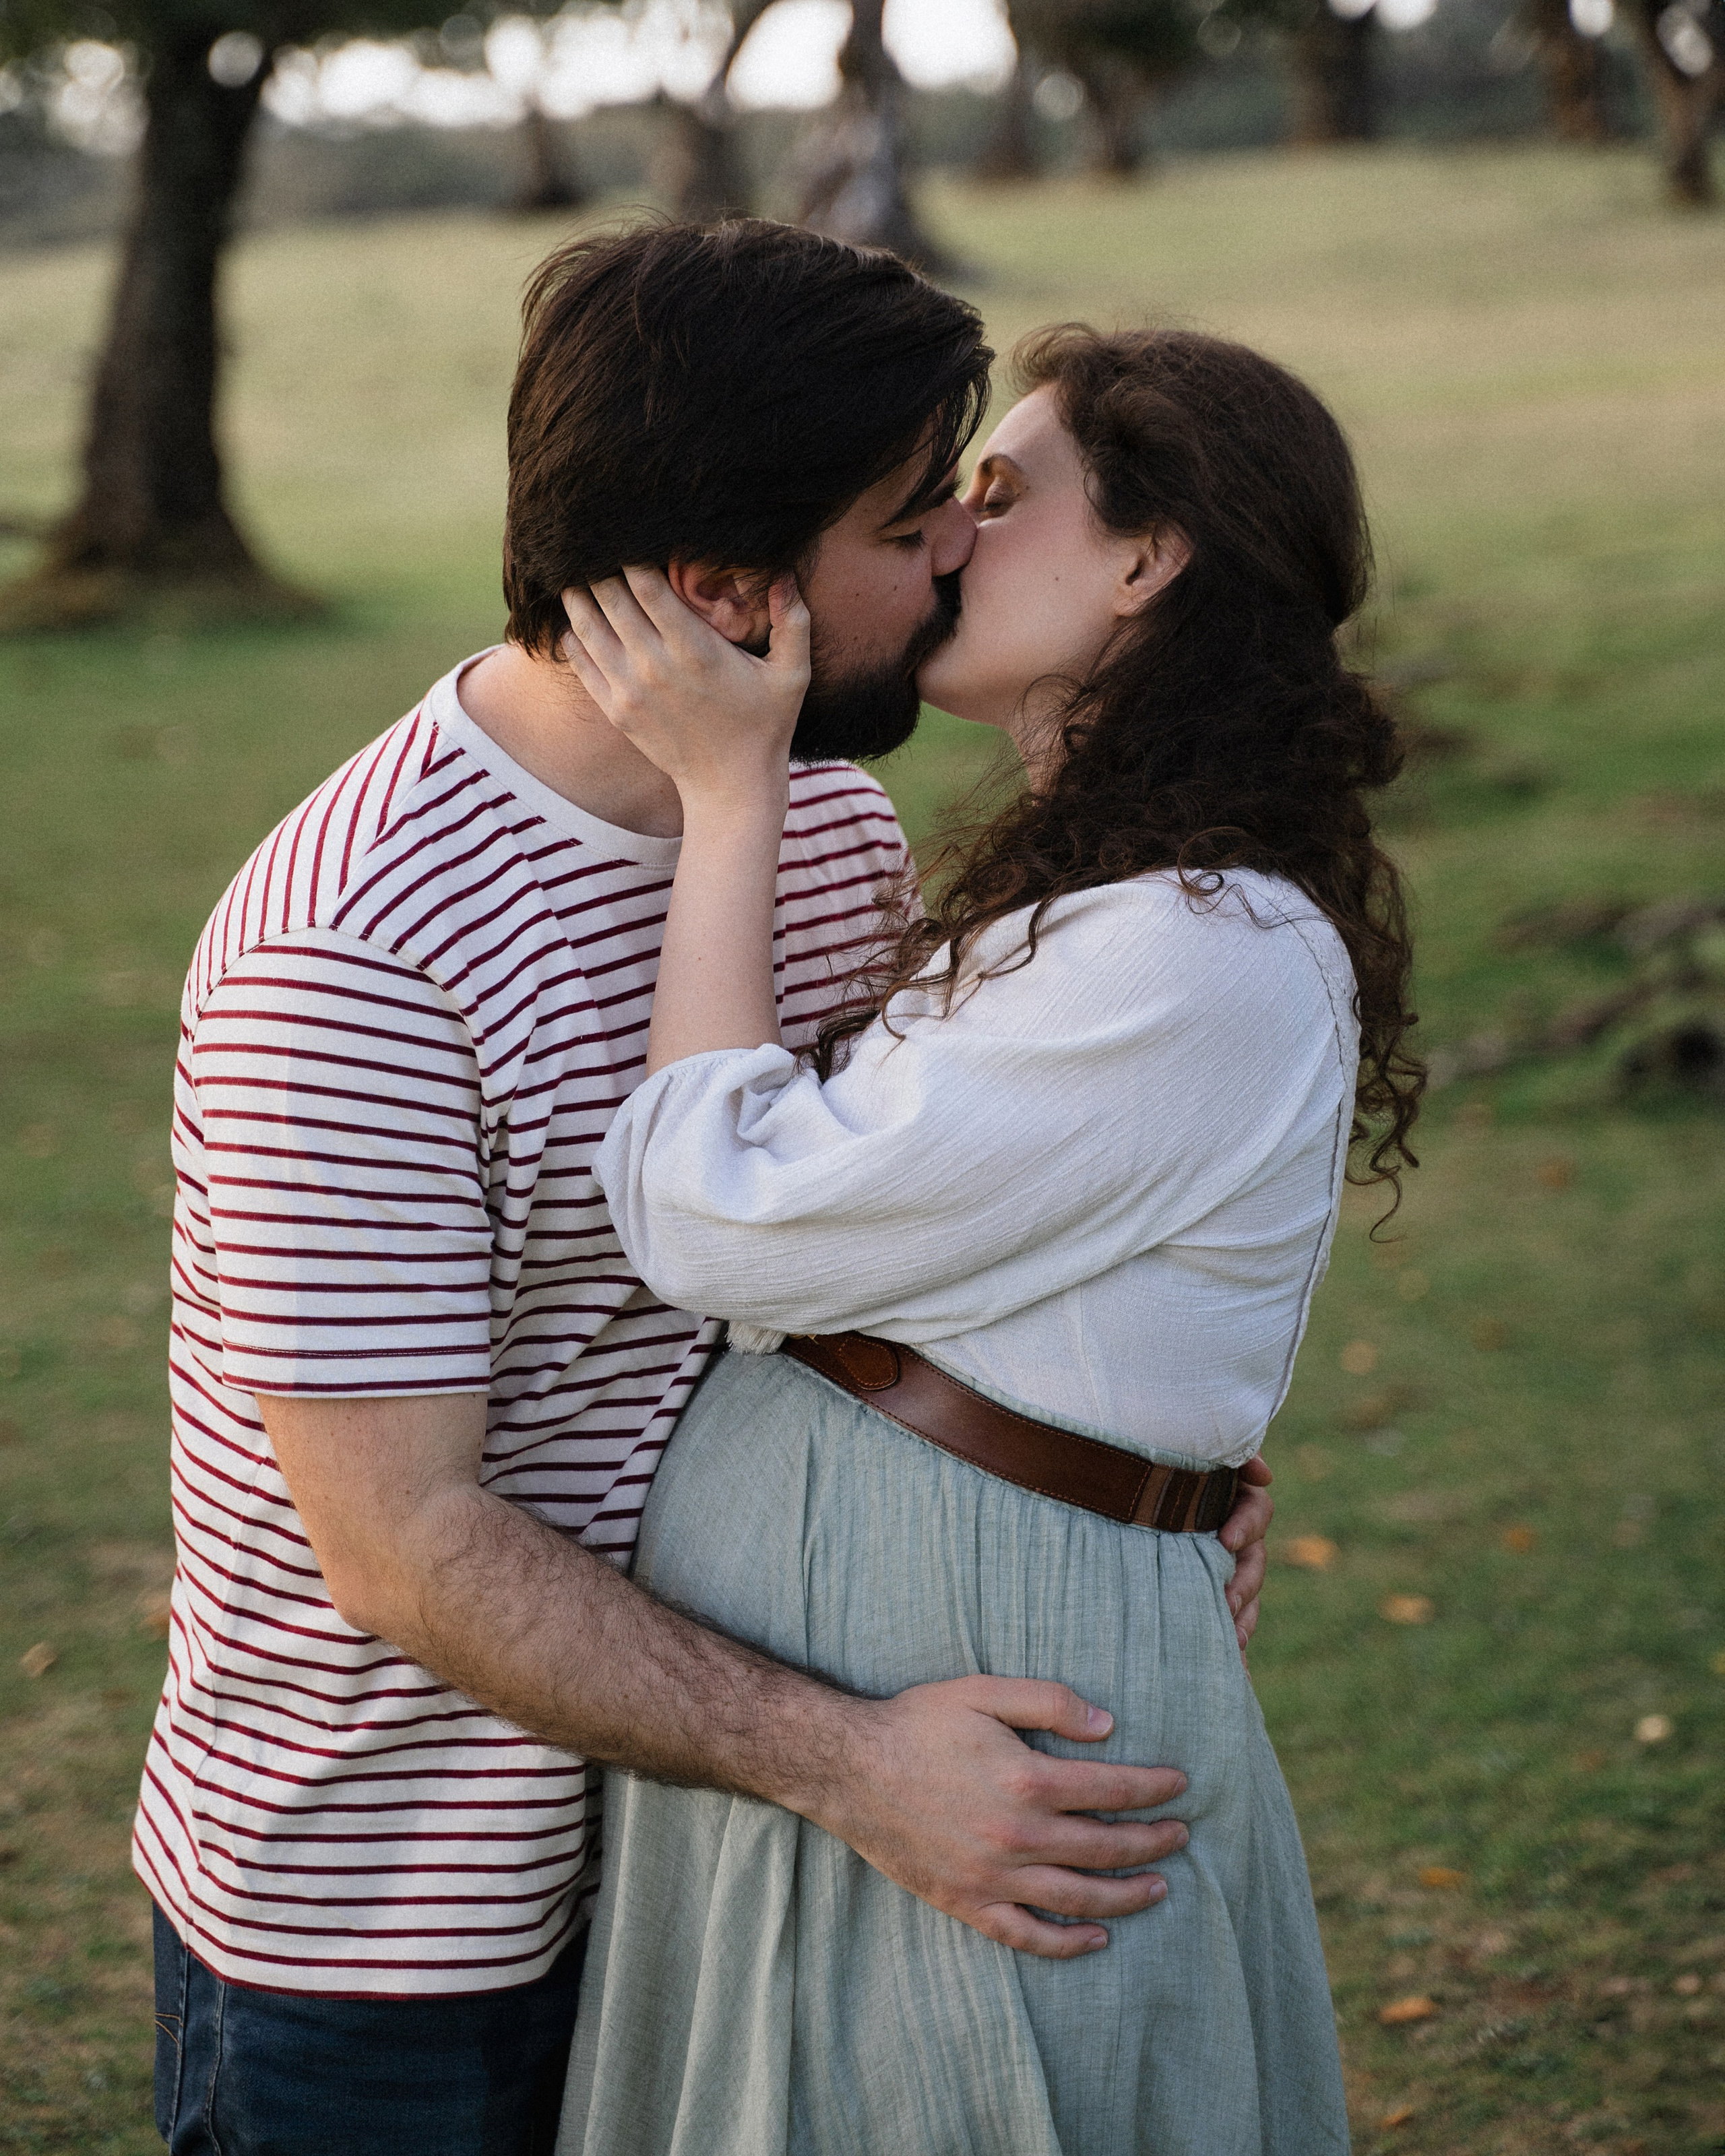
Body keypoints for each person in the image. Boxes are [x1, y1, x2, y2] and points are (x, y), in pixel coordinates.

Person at [137, 225, 1276, 2156]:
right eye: (920, 521)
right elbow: (404, 1547)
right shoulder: (350, 958)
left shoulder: (819, 820)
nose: (961, 559)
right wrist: (850, 1767)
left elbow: (881, 1251)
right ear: (724, 591)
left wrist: (1146, 1477)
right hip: (406, 1931)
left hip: (715, 1857)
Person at [553, 323, 1423, 2155]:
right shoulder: (1104, 896)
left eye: (1002, 496)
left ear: (1148, 558)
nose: (948, 537)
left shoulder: (1195, 943)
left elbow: (724, 1216)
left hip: (981, 1651)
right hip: (908, 1644)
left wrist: (729, 793)